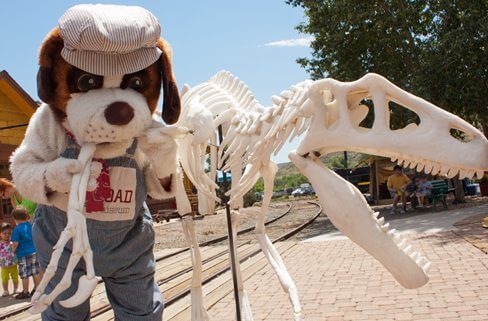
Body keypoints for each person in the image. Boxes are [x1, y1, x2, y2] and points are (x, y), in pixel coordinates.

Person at [10, 207, 41, 299]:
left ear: (15, 219)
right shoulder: (31, 225)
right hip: (34, 252)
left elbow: (15, 243)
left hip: (23, 255)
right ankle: (37, 290)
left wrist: (12, 251)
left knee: (25, 274)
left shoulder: (16, 229)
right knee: (35, 272)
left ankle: (25, 292)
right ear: (26, 216)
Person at [0, 223, 19, 296]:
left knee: (15, 277)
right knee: (5, 279)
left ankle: (15, 289)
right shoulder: (0, 244)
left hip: (13, 264)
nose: (7, 235)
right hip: (4, 265)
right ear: (0, 234)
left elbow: (16, 250)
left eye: (9, 233)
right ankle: (6, 290)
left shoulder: (12, 242)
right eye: (5, 233)